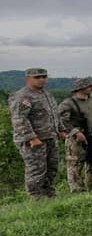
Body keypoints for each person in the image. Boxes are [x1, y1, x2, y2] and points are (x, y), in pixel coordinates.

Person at [9, 68, 63, 199]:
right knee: (36, 170)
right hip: (33, 140)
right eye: (37, 77)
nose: (42, 79)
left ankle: (49, 195)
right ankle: (36, 198)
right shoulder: (22, 96)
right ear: (28, 79)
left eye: (44, 77)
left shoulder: (47, 94)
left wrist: (60, 129)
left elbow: (54, 114)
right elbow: (19, 119)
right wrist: (32, 137)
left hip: (49, 137)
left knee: (51, 168)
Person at [58, 78, 92, 192]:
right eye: (89, 86)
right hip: (77, 138)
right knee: (75, 164)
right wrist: (75, 132)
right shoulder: (68, 103)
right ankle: (77, 191)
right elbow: (61, 120)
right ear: (80, 88)